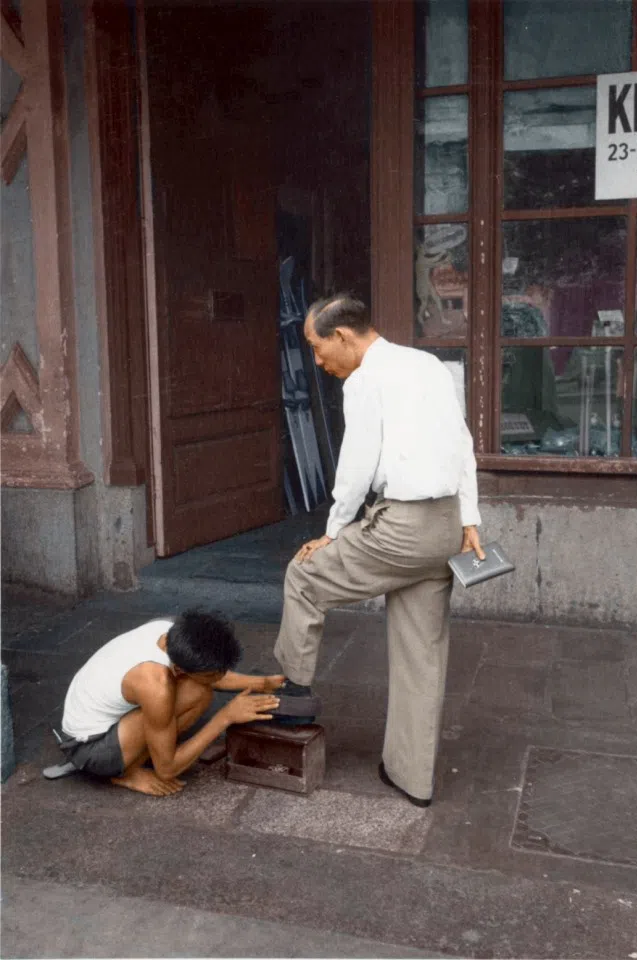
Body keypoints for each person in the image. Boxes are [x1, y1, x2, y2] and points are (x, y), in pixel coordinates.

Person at [274, 294, 484, 807]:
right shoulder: (429, 364)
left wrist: (333, 530)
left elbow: (356, 466)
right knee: (421, 653)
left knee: (303, 577)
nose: (319, 362)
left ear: (344, 336)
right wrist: (471, 519)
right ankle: (413, 778)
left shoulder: (365, 379)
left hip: (404, 527)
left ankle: (293, 696)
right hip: (446, 528)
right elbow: (463, 444)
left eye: (319, 348)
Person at [59, 609, 283, 796]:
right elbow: (167, 771)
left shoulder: (169, 631)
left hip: (109, 721)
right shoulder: (155, 684)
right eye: (215, 674)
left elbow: (207, 675)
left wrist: (261, 683)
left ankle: (157, 747)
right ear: (181, 669)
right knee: (193, 697)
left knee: (199, 690)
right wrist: (225, 717)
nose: (220, 677)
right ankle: (124, 773)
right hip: (89, 750)